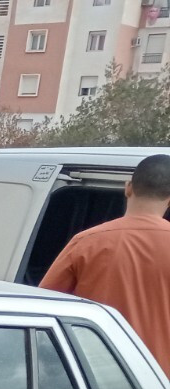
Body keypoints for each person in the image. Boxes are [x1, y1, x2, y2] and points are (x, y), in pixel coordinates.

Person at [41, 153, 170, 369]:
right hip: (160, 383)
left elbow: (45, 304)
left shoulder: (86, 242)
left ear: (128, 187)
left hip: (100, 375)